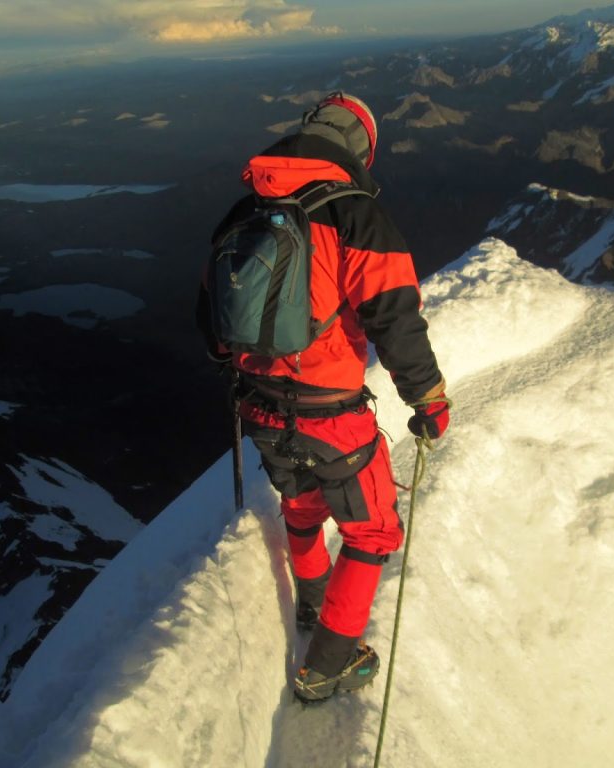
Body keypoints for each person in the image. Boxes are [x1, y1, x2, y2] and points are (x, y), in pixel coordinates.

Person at [197, 92, 449, 703]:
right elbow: (394, 315)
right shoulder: (353, 213)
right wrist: (428, 398)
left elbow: (213, 317)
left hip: (257, 405)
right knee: (373, 532)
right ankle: (328, 664)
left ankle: (311, 604)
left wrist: (239, 367)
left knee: (304, 507)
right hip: (329, 411)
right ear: (360, 149)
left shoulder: (246, 210)